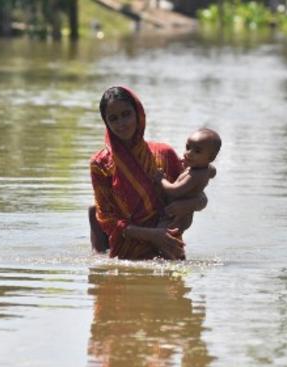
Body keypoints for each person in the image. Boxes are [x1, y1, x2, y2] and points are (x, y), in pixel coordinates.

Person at [89, 86, 207, 260]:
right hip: (126, 254)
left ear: (138, 113)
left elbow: (200, 198)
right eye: (113, 119)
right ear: (106, 123)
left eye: (126, 114)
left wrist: (184, 206)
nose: (122, 124)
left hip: (168, 247)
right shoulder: (100, 163)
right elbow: (106, 218)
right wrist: (152, 235)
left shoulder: (164, 154)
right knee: (93, 210)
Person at [155, 128, 221, 232]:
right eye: (188, 147)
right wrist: (188, 165)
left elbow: (175, 191)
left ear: (211, 158)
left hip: (177, 217)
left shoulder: (196, 175)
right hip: (179, 212)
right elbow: (213, 171)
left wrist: (161, 179)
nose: (189, 153)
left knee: (162, 236)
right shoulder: (203, 169)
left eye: (197, 151)